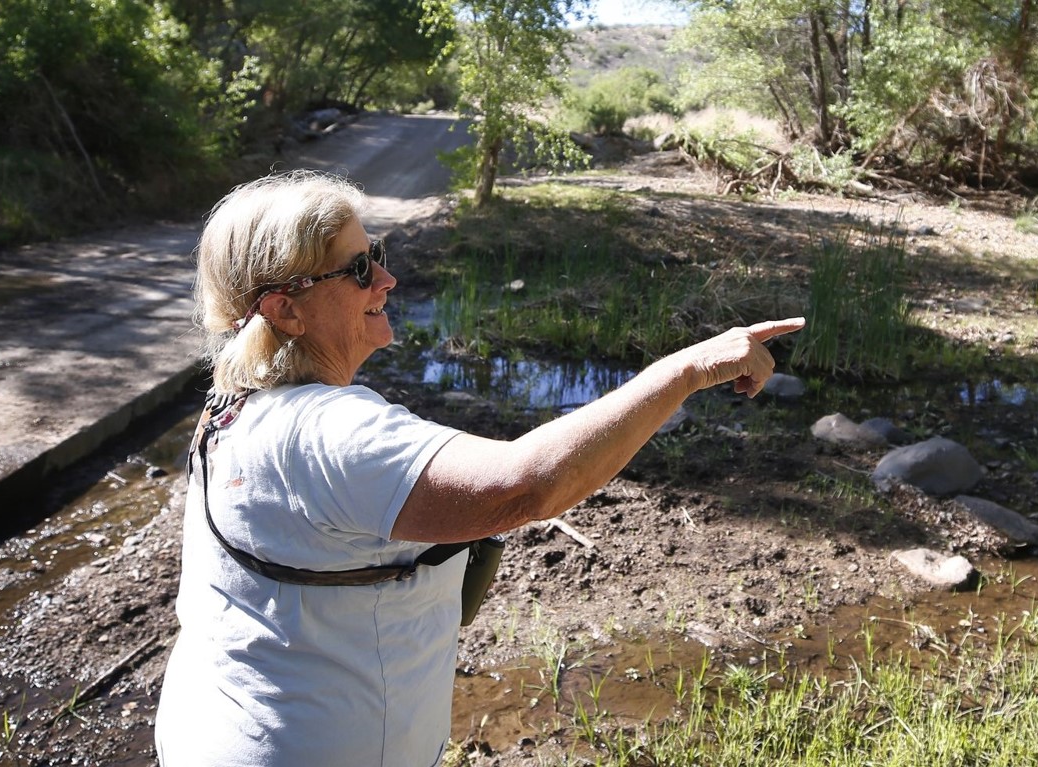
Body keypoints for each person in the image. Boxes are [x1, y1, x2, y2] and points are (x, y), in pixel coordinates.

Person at [154, 170, 804, 767]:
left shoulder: (234, 408)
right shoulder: (329, 431)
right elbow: (527, 485)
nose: (387, 281)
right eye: (358, 270)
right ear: (285, 308)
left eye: (377, 255)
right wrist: (686, 369)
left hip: (211, 731)